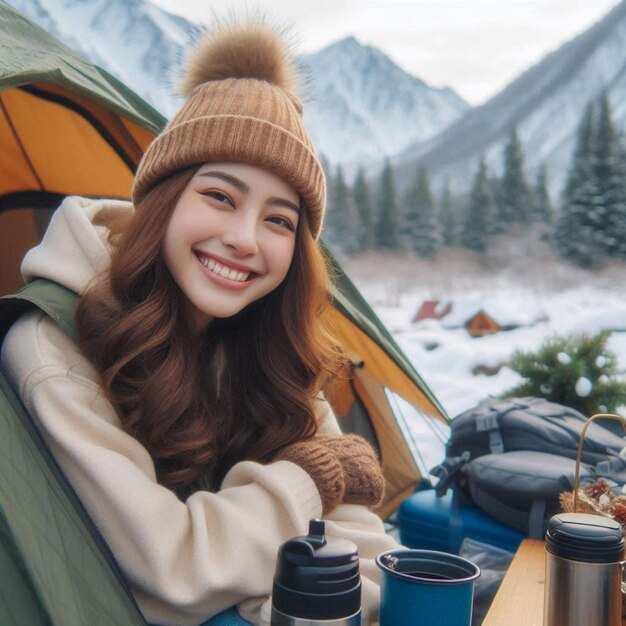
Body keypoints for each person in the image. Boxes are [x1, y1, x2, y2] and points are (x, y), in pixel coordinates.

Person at [0, 21, 399, 626]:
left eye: (279, 220)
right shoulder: (55, 349)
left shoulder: (274, 349)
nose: (243, 240)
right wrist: (311, 481)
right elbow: (171, 570)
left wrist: (278, 602)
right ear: (163, 201)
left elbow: (361, 547)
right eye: (220, 196)